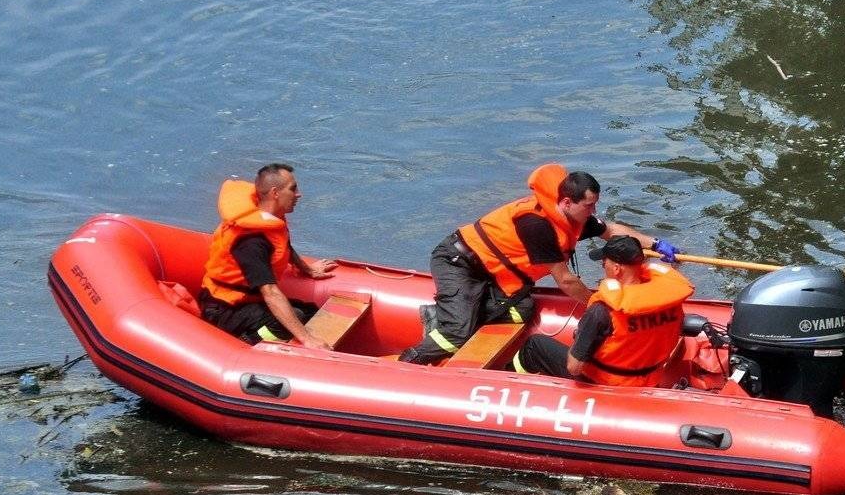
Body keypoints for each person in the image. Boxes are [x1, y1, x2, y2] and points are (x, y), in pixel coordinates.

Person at [398, 163, 683, 365]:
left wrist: (655, 244)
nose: (593, 211)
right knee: (456, 332)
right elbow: (566, 280)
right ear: (567, 202)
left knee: (521, 311)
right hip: (460, 262)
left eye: (595, 205)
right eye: (589, 206)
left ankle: (467, 311)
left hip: (495, 274)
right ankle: (408, 362)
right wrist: (600, 305)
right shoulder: (537, 225)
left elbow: (610, 229)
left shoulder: (573, 218)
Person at [511, 235, 695, 386]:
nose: (602, 267)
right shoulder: (669, 302)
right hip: (648, 378)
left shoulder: (601, 312)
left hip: (605, 383)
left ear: (616, 269)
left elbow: (574, 368)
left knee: (534, 345)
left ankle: (506, 382)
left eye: (603, 263)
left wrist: (583, 341)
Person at [198, 163, 337, 349]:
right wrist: (307, 339)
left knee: (311, 312)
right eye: (293, 189)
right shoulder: (251, 241)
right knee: (283, 324)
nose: (298, 194)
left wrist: (306, 268)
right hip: (224, 308)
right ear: (275, 193)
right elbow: (270, 292)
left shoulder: (270, 219)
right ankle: (245, 344)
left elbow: (282, 244)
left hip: (249, 301)